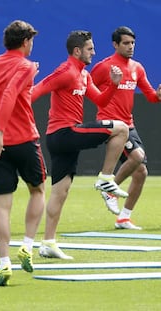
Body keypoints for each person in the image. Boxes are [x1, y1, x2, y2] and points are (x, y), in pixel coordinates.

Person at [31, 30, 129, 260]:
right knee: (122, 128)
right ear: (77, 51)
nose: (94, 53)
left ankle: (48, 243)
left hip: (66, 137)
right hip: (64, 133)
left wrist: (114, 85)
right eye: (90, 49)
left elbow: (101, 100)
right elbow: (35, 92)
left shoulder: (84, 75)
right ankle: (106, 179)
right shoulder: (65, 71)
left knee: (60, 192)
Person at [0, 20, 46, 286]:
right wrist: (1, 129)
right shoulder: (26, 65)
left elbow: (0, 95)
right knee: (38, 190)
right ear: (25, 42)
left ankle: (4, 263)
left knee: (2, 203)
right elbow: (10, 93)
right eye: (31, 40)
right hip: (21, 138)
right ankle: (27, 246)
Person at [91, 26, 161, 230]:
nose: (130, 47)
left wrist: (158, 95)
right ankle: (109, 189)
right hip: (112, 124)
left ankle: (123, 218)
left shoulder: (137, 67)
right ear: (115, 44)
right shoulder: (105, 67)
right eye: (126, 43)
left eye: (133, 43)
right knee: (137, 157)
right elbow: (87, 86)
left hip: (129, 124)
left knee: (141, 173)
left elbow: (150, 96)